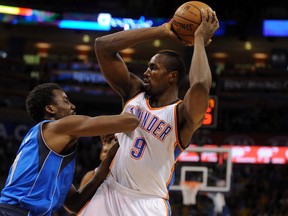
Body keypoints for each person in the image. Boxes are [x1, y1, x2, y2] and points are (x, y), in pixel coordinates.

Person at [78, 7, 219, 216]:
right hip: (110, 191)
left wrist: (199, 39)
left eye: (153, 68)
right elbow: (102, 46)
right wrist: (162, 31)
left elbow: (200, 86)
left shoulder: (181, 115)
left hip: (148, 203)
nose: (145, 72)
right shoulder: (133, 92)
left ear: (172, 77)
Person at [0, 83, 139, 216]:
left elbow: (74, 204)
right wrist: (140, 106)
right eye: (65, 101)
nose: (72, 106)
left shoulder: (47, 150)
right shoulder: (57, 127)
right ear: (50, 109)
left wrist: (108, 160)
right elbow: (130, 122)